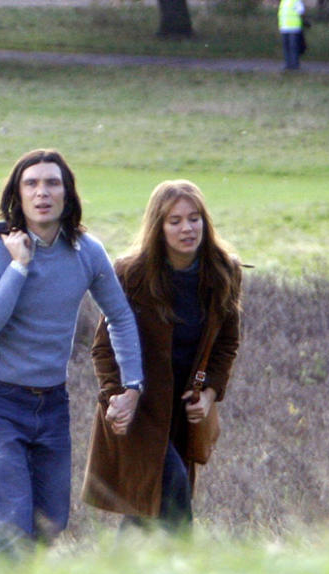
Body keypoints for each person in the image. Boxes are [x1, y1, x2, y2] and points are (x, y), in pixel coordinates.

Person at [0, 148, 144, 558]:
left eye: (52, 183)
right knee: (14, 529)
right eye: (32, 184)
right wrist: (19, 266)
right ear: (17, 196)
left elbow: (121, 317)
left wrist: (132, 385)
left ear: (67, 194)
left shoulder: (87, 251)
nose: (42, 192)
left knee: (50, 525)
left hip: (53, 403)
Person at [83, 180, 242, 532]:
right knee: (172, 488)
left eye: (194, 218)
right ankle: (187, 573)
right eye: (175, 221)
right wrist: (117, 397)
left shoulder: (222, 271)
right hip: (139, 406)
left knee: (146, 505)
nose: (187, 228)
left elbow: (227, 343)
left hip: (182, 411)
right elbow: (103, 348)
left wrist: (211, 392)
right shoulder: (130, 274)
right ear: (158, 226)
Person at [279, 0, 306, 71]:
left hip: (294, 28)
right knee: (286, 48)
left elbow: (301, 12)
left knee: (293, 47)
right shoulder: (283, 1)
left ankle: (295, 66)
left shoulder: (296, 1)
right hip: (284, 28)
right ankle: (288, 65)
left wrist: (303, 21)